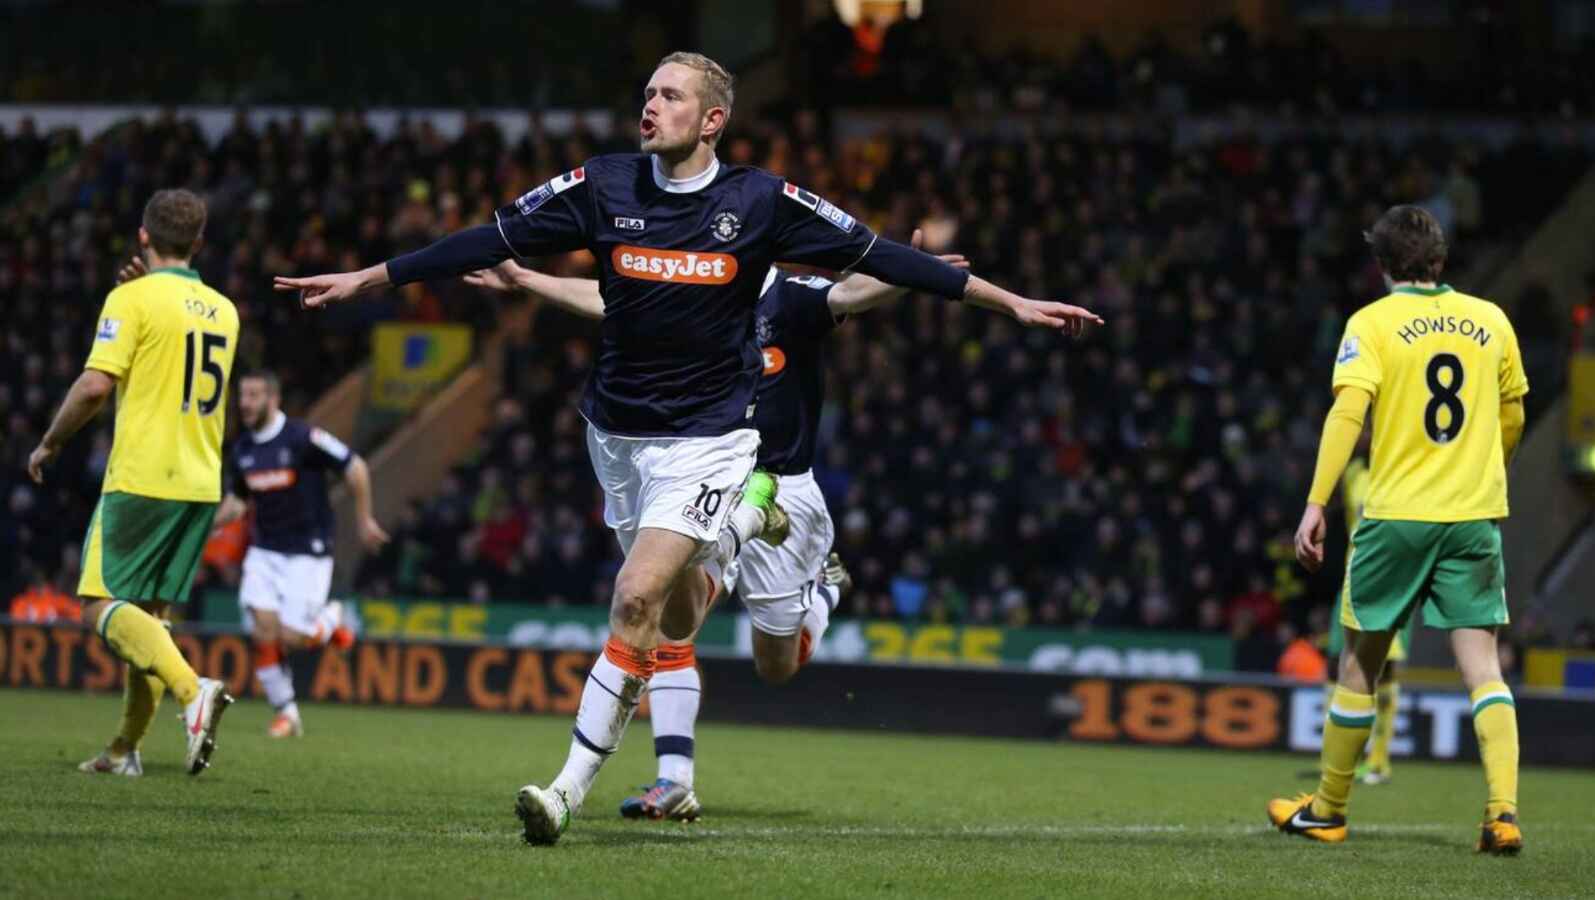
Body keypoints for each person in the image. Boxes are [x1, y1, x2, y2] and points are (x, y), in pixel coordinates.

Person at [275, 51, 1101, 845]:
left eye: (669, 96)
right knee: (667, 616)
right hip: (618, 437)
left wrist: (1012, 301)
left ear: (712, 120)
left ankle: (567, 789)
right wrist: (370, 278)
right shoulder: (601, 186)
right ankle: (721, 658)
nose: (650, 105)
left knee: (638, 598)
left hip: (712, 442)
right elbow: (489, 238)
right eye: (647, 92)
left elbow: (883, 258)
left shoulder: (764, 202)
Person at [464, 228, 965, 821]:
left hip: (786, 488)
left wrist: (911, 268)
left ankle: (823, 591)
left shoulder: (793, 295)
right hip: (706, 473)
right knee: (669, 618)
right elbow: (610, 299)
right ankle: (674, 780)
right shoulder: (691, 288)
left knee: (775, 665)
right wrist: (526, 280)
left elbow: (854, 292)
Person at [1269, 205, 1527, 855]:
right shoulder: (1491, 320)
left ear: (1381, 265)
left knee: (1359, 664)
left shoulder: (1373, 322)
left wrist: (1315, 503)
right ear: (1440, 259)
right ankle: (1502, 812)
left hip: (1397, 514)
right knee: (1484, 668)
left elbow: (1347, 413)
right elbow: (1514, 412)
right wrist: (1486, 472)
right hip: (1473, 514)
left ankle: (1327, 809)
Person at [28, 188, 240, 777]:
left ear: (143, 236)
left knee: (98, 603)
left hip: (144, 475)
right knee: (149, 617)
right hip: (200, 481)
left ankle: (191, 690)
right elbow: (172, 338)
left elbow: (97, 385)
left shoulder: (131, 297)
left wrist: (51, 442)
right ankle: (125, 750)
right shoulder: (225, 308)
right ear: (198, 243)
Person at [214, 370, 390, 738]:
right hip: (264, 551)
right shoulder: (243, 449)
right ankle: (286, 712)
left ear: (273, 400)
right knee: (263, 630)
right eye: (242, 395)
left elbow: (354, 466)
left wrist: (363, 520)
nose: (244, 403)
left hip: (308, 553)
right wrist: (203, 528)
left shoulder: (303, 438)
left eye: (253, 396)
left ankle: (331, 617)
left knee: (292, 638)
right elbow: (236, 503)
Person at [1322, 446, 1415, 786]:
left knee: (1384, 672)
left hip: (1393, 583)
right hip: (1352, 579)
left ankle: (1378, 761)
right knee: (1335, 665)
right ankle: (1339, 757)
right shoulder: (1353, 474)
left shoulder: (1406, 471)